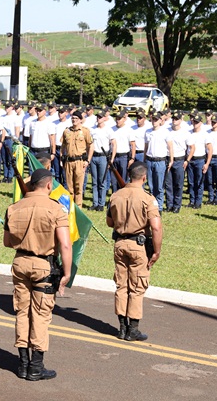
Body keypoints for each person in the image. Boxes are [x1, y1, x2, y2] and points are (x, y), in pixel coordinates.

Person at [3, 168, 71, 381]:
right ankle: (35, 366)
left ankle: (23, 363)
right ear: (49, 186)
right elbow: (65, 245)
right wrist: (67, 274)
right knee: (41, 315)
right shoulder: (56, 209)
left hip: (20, 262)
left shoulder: (14, 207)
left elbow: (7, 242)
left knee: (22, 312)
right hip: (43, 265)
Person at [106, 161, 162, 342]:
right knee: (137, 287)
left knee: (121, 285)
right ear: (144, 177)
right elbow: (156, 227)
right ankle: (133, 329)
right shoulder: (147, 198)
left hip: (120, 244)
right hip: (138, 246)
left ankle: (122, 327)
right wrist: (157, 251)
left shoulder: (116, 195)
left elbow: (109, 222)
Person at [61, 110, 93, 208]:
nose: (74, 120)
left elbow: (91, 146)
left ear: (80, 120)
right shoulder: (66, 131)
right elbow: (63, 146)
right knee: (69, 187)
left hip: (80, 161)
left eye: (76, 118)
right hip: (69, 162)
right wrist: (61, 159)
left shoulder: (85, 131)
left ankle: (78, 207)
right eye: (72, 118)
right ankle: (70, 207)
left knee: (78, 187)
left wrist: (88, 160)